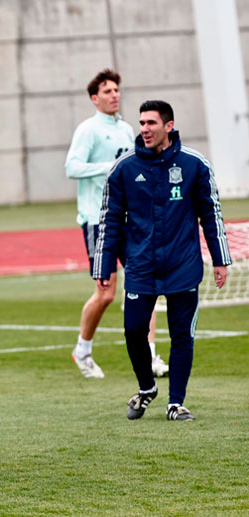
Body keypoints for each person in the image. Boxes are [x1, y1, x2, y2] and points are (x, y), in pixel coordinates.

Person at [93, 100, 231, 421]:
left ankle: (176, 402)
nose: (144, 129)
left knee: (182, 335)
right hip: (141, 267)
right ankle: (147, 388)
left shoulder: (195, 164)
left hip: (183, 266)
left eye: (151, 123)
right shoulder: (123, 168)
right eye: (141, 123)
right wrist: (103, 267)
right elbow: (109, 221)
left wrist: (220, 259)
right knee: (133, 330)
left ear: (169, 126)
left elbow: (211, 214)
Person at [65, 69, 167, 379]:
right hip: (100, 221)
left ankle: (149, 356)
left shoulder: (127, 130)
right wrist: (111, 167)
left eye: (116, 90)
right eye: (107, 91)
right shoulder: (88, 130)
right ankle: (82, 350)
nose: (114, 95)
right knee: (106, 292)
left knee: (146, 285)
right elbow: (72, 167)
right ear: (95, 98)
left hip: (132, 221)